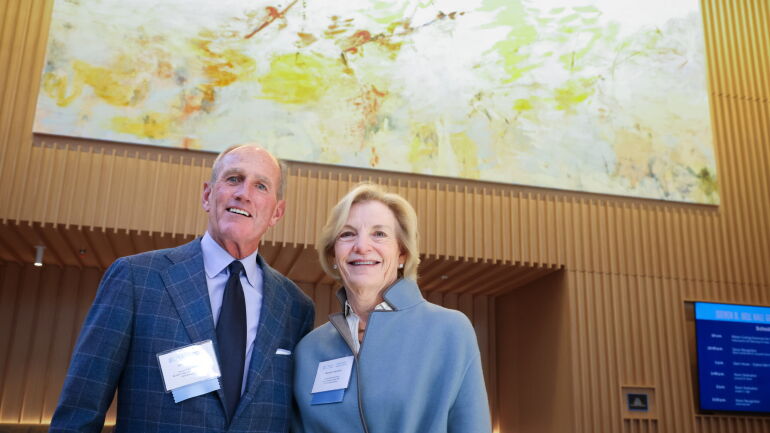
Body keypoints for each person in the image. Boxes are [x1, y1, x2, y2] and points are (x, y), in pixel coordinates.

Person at [50, 144, 315, 433]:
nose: (244, 193)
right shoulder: (136, 279)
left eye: (261, 186)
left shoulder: (295, 307)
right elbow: (80, 409)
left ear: (277, 212)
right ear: (207, 195)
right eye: (233, 179)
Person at [292, 183, 491, 433]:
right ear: (333, 255)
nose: (362, 246)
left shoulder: (449, 330)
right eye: (347, 234)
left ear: (402, 254)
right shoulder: (309, 350)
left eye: (379, 234)